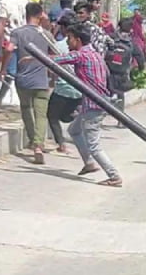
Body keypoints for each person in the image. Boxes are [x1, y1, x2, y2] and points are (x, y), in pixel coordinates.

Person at [52, 22, 123, 187]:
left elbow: (57, 60)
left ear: (77, 40)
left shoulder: (81, 55)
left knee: (94, 145)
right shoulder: (95, 53)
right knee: (74, 130)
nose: (67, 42)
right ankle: (89, 163)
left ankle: (114, 176)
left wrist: (33, 57)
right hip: (96, 103)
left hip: (94, 106)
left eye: (69, 38)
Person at [0, 2, 53, 163]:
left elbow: (9, 49)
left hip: (23, 78)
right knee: (41, 114)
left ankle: (32, 140)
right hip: (42, 79)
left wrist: (3, 69)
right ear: (41, 14)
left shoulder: (18, 32)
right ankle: (38, 145)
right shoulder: (46, 35)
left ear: (25, 14)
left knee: (26, 109)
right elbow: (56, 53)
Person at [46, 14, 84, 154]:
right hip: (80, 89)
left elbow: (52, 66)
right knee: (67, 115)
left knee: (52, 115)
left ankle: (61, 144)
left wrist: (51, 80)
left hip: (63, 88)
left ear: (63, 28)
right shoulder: (83, 46)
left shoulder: (60, 46)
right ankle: (76, 117)